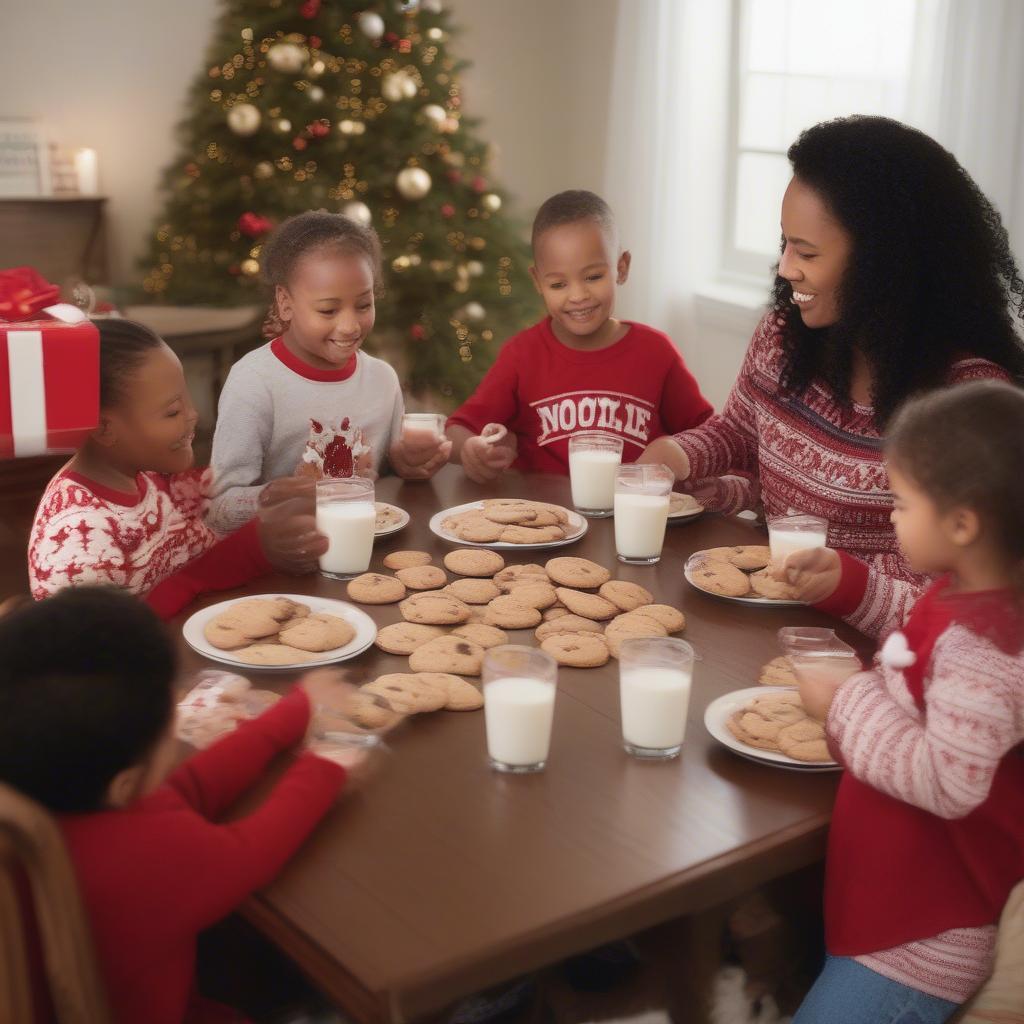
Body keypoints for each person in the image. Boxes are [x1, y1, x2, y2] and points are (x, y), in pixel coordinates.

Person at [639, 116, 1024, 589]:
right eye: (785, 244)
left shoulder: (965, 403)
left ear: (881, 263)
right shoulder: (784, 336)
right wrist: (678, 457)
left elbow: (956, 591)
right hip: (776, 613)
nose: (784, 269)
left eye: (807, 253)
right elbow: (741, 433)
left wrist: (842, 581)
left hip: (880, 654)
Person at [0, 586, 368, 1024]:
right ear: (126, 784)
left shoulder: (41, 795)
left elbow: (185, 790)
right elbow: (255, 849)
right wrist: (330, 761)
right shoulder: (149, 856)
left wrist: (296, 710)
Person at [788, 381, 1024, 1024]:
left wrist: (844, 704)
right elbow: (920, 653)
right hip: (890, 905)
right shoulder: (969, 595)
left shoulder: (987, 650)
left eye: (900, 501)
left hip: (921, 940)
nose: (891, 516)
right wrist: (849, 587)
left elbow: (951, 780)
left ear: (962, 523)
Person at [27, 318, 323, 619]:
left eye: (187, 400)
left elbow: (204, 543)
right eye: (172, 412)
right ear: (104, 428)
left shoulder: (151, 478)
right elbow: (108, 648)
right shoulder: (78, 537)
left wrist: (268, 502)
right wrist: (251, 551)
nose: (193, 416)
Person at [207, 211, 450, 534]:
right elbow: (218, 508)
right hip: (285, 561)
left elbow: (388, 478)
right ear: (285, 302)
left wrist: (409, 466)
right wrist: (279, 496)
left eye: (363, 305)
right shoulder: (254, 382)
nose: (350, 326)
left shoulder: (382, 379)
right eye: (328, 310)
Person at [446, 189, 713, 482]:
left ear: (621, 268)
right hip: (546, 520)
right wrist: (472, 450)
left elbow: (710, 438)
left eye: (593, 277)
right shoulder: (522, 355)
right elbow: (460, 428)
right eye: (558, 284)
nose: (578, 295)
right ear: (538, 281)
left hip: (631, 516)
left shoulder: (656, 353)